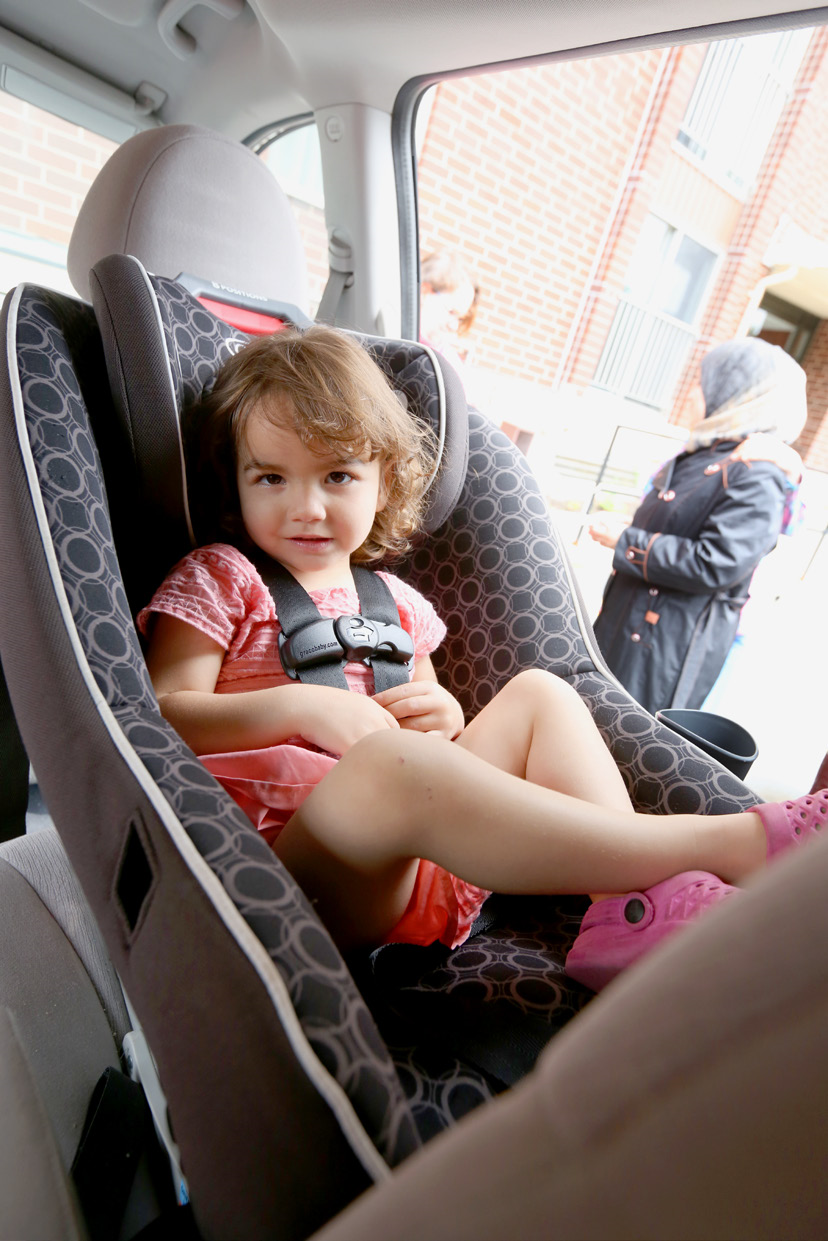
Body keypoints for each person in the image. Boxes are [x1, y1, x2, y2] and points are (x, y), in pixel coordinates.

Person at [138, 324, 826, 992]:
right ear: (236, 482)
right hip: (293, 872)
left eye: (337, 475)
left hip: (417, 858)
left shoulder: (399, 605)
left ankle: (627, 907)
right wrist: (299, 704)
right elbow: (163, 712)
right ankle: (733, 843)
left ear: (384, 481)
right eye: (271, 479)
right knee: (387, 767)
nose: (307, 507)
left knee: (541, 694)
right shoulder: (221, 577)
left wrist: (441, 714)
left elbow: (438, 733)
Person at [589, 336, 808, 718]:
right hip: (638, 629)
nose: (689, 393)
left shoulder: (759, 470)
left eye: (703, 382)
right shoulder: (704, 454)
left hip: (671, 642)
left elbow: (718, 561)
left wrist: (627, 541)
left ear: (734, 395)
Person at [419, 250, 479, 378]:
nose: (454, 326)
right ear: (424, 291)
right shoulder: (394, 334)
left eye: (460, 319)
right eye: (451, 311)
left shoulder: (449, 364)